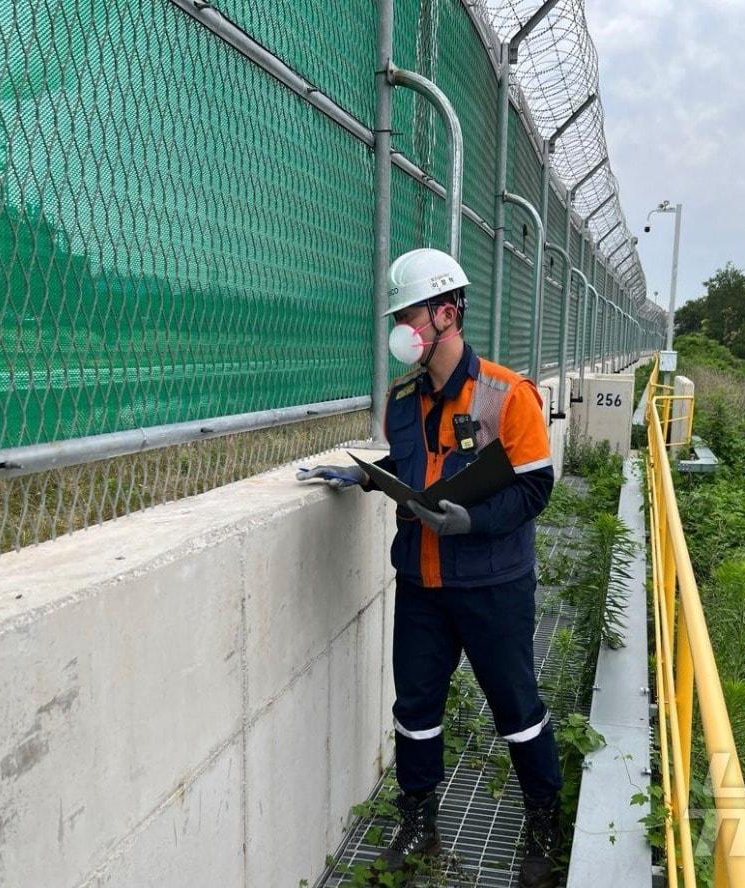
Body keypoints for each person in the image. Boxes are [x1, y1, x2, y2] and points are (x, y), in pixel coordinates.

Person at [298, 248, 562, 887]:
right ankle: (418, 816)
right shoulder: (401, 398)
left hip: (493, 584)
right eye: (399, 315)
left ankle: (543, 820)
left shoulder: (507, 394)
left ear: (447, 313)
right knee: (414, 707)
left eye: (411, 314)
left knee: (516, 706)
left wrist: (470, 522)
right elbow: (411, 469)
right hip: (421, 582)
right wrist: (368, 479)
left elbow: (534, 489)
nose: (402, 328)